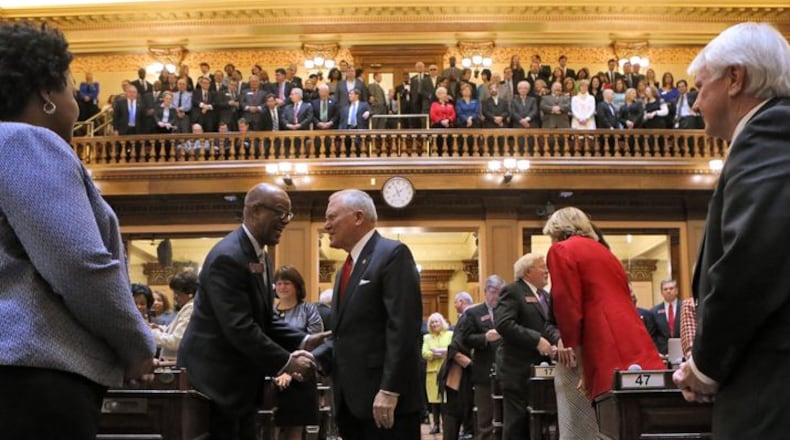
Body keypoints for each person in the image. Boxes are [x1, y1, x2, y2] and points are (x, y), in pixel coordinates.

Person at [0, 22, 155, 440]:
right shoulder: (25, 142)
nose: (77, 103)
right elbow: (78, 263)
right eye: (70, 89)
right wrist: (136, 345)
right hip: (32, 379)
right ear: (47, 95)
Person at [672, 22, 790, 439]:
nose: (694, 104)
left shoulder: (768, 132)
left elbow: (750, 260)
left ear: (735, 79)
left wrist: (706, 366)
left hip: (769, 384)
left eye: (701, 87)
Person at [178, 183, 325, 440]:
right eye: (281, 213)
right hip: (215, 385)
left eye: (288, 215)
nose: (286, 221)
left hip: (239, 385)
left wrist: (302, 339)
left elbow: (264, 318)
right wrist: (287, 362)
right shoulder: (229, 256)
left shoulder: (261, 256)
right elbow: (239, 327)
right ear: (255, 211)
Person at [314, 189, 423, 440]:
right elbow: (345, 334)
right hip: (351, 402)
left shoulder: (392, 254)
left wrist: (390, 389)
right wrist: (313, 359)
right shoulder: (344, 270)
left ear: (358, 217)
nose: (326, 225)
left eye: (332, 217)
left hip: (384, 402)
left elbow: (403, 328)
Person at [543, 207, 664, 400]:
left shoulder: (561, 250)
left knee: (609, 413)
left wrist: (581, 365)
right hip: (633, 336)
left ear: (557, 231)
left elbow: (568, 309)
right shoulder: (606, 252)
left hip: (602, 339)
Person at [494, 253, 556, 439]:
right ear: (528, 271)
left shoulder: (545, 295)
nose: (547, 271)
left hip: (541, 372)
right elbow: (504, 324)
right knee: (517, 424)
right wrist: (536, 340)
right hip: (517, 371)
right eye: (542, 267)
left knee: (540, 424)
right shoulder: (513, 291)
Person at [272, 265, 324, 440]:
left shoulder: (308, 310)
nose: (282, 287)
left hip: (300, 376)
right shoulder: (269, 312)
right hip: (272, 376)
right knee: (271, 427)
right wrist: (279, 370)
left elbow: (313, 343)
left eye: (286, 283)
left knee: (295, 429)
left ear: (297, 286)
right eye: (278, 283)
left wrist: (290, 371)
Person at [455, 274, 506, 440]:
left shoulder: (508, 311)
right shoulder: (474, 313)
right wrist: (484, 338)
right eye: (493, 291)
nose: (496, 296)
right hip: (484, 374)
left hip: (507, 372)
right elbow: (465, 340)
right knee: (486, 422)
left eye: (500, 292)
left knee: (506, 421)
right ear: (485, 292)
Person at [151, 270, 198, 361]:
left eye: (178, 293)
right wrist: (161, 329)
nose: (175, 297)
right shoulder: (189, 306)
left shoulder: (190, 308)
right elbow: (179, 332)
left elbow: (176, 342)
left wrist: (152, 334)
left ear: (189, 293)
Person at [422, 312, 453, 435]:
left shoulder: (450, 334)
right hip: (432, 372)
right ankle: (436, 425)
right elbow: (424, 353)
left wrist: (439, 351)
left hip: (447, 371)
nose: (435, 324)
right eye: (432, 322)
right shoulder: (427, 337)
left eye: (437, 321)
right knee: (434, 401)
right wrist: (437, 354)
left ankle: (447, 425)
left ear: (442, 322)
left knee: (446, 400)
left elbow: (452, 349)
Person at [650, 279, 681, 355]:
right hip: (662, 353)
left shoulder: (685, 307)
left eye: (671, 288)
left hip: (683, 351)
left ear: (676, 290)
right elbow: (652, 335)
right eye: (665, 289)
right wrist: (656, 352)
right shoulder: (654, 311)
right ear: (661, 292)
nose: (668, 291)